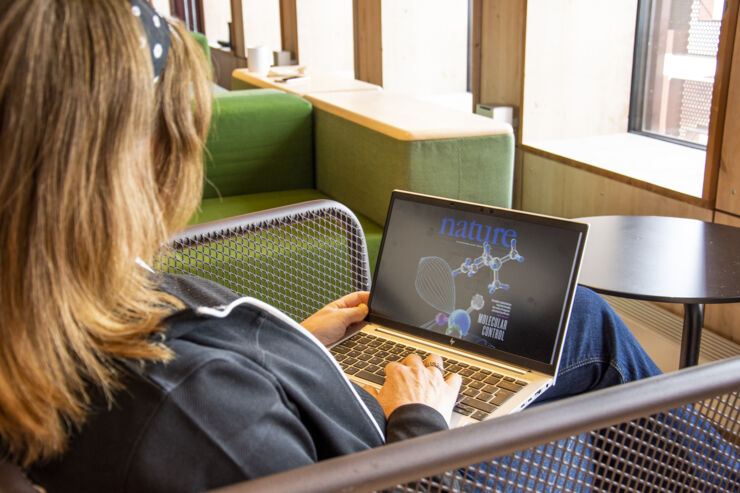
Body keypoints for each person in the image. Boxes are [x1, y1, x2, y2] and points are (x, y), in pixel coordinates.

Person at [1, 1, 722, 492]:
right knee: (587, 327)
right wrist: (421, 422)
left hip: (353, 424)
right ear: (120, 164)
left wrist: (297, 347)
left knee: (577, 318)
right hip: (412, 459)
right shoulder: (185, 409)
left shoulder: (54, 314)